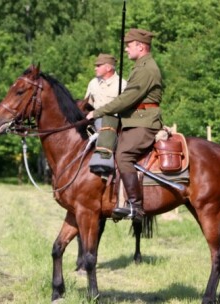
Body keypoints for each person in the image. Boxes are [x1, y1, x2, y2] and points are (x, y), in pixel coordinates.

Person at [86, 28, 163, 221]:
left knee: (124, 155)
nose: (126, 50)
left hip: (144, 122)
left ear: (140, 46)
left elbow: (126, 99)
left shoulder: (146, 69)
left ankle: (135, 207)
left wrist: (97, 112)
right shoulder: (140, 66)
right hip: (135, 119)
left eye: (129, 46)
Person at [85, 53, 127, 175]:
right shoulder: (93, 83)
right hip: (94, 122)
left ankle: (104, 166)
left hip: (113, 124)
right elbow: (88, 105)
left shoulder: (122, 84)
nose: (95, 68)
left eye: (98, 65)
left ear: (108, 68)